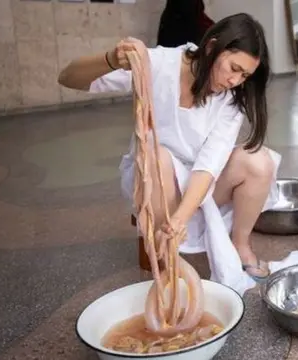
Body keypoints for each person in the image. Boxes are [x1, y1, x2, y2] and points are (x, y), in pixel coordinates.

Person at [57, 13, 278, 281]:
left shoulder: (230, 98)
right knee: (156, 152)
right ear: (211, 47)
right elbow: (68, 78)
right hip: (151, 174)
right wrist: (111, 60)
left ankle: (240, 244)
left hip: (199, 181)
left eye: (245, 75)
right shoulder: (158, 64)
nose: (235, 81)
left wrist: (180, 218)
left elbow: (209, 166)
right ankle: (165, 254)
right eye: (234, 68)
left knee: (259, 161)